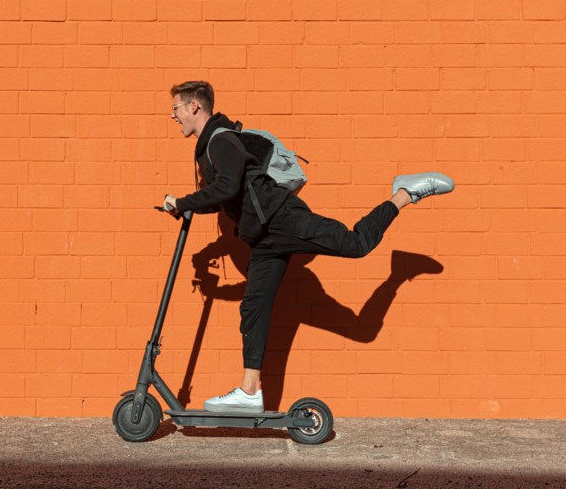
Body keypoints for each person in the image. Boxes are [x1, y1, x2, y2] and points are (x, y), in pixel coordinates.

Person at [164, 81, 454, 413]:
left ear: (194, 107)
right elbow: (224, 194)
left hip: (282, 219)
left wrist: (184, 200)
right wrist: (188, 208)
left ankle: (403, 194)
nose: (173, 116)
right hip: (264, 238)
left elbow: (228, 188)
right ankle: (249, 391)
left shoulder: (221, 140)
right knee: (253, 309)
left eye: (176, 109)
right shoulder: (211, 144)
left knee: (355, 244)